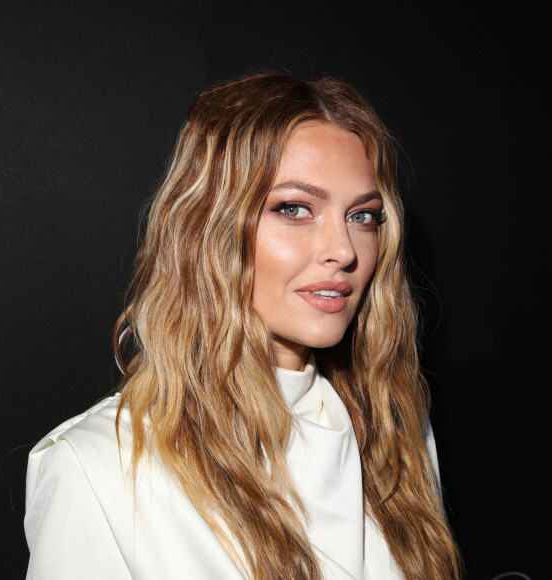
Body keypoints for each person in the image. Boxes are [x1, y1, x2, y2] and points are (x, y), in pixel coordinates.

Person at [24, 71, 461, 579]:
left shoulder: (394, 432)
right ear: (208, 229)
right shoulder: (98, 469)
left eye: (362, 216)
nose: (343, 250)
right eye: (294, 209)